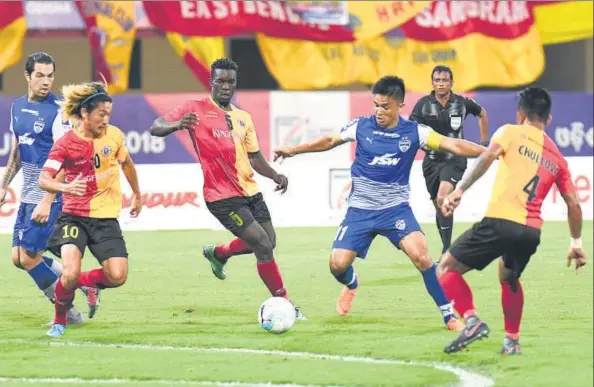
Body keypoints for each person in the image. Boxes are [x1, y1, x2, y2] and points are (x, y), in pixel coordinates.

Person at [273, 76, 486, 330]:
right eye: (376, 105)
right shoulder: (361, 126)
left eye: (385, 106)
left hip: (395, 209)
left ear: (400, 106)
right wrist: (294, 150)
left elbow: (453, 144)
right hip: (360, 211)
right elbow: (329, 141)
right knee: (337, 265)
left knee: (422, 257)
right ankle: (352, 283)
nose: (379, 111)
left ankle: (449, 316)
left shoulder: (414, 132)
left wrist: (489, 151)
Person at [150, 58, 304, 318]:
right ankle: (286, 304)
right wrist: (177, 125)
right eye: (220, 81)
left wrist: (275, 175)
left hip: (250, 193)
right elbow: (156, 127)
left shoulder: (243, 118)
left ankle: (219, 253)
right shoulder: (194, 108)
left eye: (230, 82)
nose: (225, 86)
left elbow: (254, 158)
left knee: (270, 242)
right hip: (221, 196)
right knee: (263, 246)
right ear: (211, 83)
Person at [437, 87, 586, 354]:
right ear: (548, 120)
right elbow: (573, 203)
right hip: (531, 231)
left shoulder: (510, 131)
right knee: (508, 277)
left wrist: (459, 190)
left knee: (446, 268)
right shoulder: (559, 159)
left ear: (520, 114)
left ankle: (471, 321)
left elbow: (487, 156)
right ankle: (512, 342)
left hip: (500, 221)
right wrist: (576, 242)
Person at [0, 52, 97, 324]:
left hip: (48, 194)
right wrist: (4, 184)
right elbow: (18, 149)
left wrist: (47, 198)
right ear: (27, 76)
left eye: (50, 75)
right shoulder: (17, 106)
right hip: (28, 193)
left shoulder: (58, 112)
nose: (46, 81)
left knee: (30, 258)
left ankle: (69, 314)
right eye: (40, 75)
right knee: (19, 258)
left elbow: (65, 158)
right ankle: (82, 283)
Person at [39, 81, 142, 337]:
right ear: (85, 113)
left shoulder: (114, 135)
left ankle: (86, 284)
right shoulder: (65, 144)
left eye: (109, 114)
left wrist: (137, 194)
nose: (106, 120)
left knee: (117, 276)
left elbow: (127, 164)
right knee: (70, 271)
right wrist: (63, 190)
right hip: (74, 217)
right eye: (101, 114)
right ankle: (59, 320)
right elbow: (45, 178)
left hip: (106, 219)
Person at [409, 65, 489, 255]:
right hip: (431, 162)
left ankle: (447, 250)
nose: (441, 84)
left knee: (442, 197)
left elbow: (482, 113)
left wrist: (484, 141)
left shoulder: (462, 103)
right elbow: (412, 129)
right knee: (438, 205)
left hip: (455, 159)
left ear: (451, 83)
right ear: (433, 83)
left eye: (445, 80)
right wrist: (420, 146)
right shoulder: (423, 104)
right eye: (437, 80)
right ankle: (446, 245)